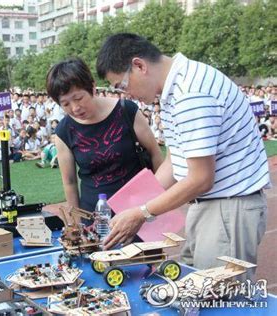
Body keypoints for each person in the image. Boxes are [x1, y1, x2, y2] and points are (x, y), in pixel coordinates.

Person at [96, 33, 270, 279]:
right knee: (192, 284)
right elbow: (175, 160)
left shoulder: (190, 93)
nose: (127, 95)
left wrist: (142, 213)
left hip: (228, 207)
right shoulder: (176, 87)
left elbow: (200, 179)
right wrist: (128, 208)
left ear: (139, 66)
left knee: (216, 300)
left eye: (122, 86)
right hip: (213, 206)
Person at [46, 58, 163, 214]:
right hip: (96, 215)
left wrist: (160, 202)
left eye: (78, 98)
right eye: (66, 104)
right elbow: (70, 182)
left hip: (140, 209)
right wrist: (77, 222)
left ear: (92, 87)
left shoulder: (126, 111)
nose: (75, 108)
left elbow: (155, 154)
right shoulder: (64, 131)